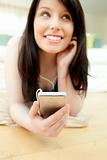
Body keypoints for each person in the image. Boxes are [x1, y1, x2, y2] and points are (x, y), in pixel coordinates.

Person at [5, 0, 89, 137]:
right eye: (45, 13)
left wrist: (63, 68)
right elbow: (16, 104)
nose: (55, 25)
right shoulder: (17, 46)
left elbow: (73, 111)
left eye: (66, 17)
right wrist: (33, 125)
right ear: (33, 20)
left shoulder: (75, 56)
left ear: (76, 27)